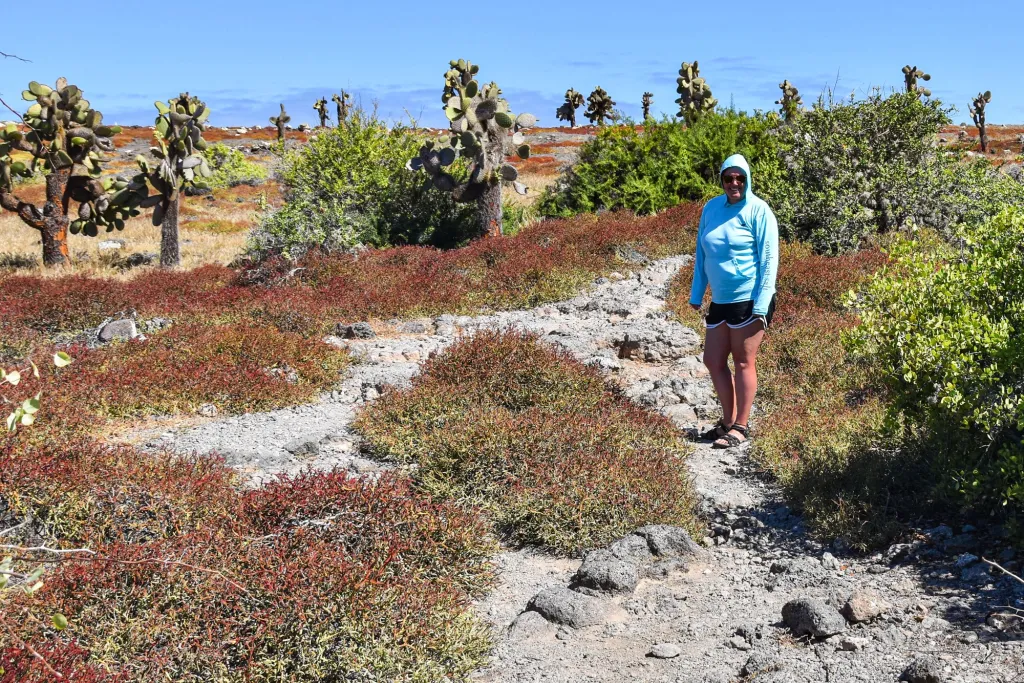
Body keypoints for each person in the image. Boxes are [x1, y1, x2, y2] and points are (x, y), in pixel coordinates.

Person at [688, 153, 778, 449]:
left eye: (740, 178)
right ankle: (726, 422)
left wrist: (762, 304)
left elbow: (769, 259)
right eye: (729, 178)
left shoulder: (758, 210)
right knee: (713, 360)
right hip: (721, 299)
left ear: (747, 179)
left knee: (742, 361)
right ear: (722, 180)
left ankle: (741, 426)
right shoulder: (711, 209)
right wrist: (696, 293)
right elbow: (702, 253)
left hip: (749, 298)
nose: (734, 183)